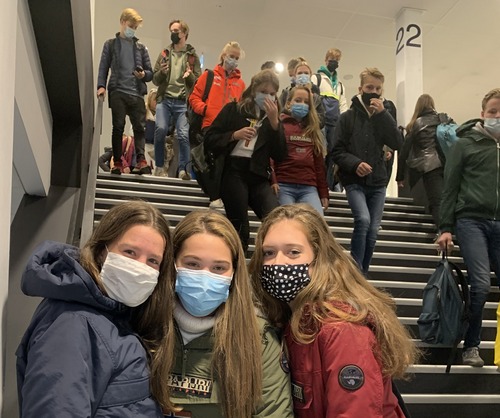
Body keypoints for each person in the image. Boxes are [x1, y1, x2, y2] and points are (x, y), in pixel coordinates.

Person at [248, 204, 418, 417]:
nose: (278, 263)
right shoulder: (292, 320)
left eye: (293, 252)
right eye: (269, 253)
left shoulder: (341, 329)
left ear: (320, 259)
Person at [16, 201, 176, 417]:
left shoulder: (116, 315)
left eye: (153, 261)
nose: (140, 267)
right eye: (130, 252)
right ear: (102, 251)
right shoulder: (72, 323)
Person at [165, 210, 293, 417]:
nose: (205, 277)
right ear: (172, 263)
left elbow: (273, 412)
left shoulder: (257, 338)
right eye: (192, 264)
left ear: (234, 273)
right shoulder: (145, 326)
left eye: (218, 268)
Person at [436, 87, 500, 367]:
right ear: (482, 114)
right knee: (482, 284)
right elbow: (450, 187)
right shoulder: (464, 144)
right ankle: (471, 345)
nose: (497, 117)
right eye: (493, 112)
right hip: (471, 220)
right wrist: (445, 227)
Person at [204, 69, 287, 251]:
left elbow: (280, 155)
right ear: (254, 90)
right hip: (234, 170)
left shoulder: (272, 119)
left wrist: (275, 125)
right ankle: (238, 261)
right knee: (240, 226)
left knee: (276, 218)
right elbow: (209, 139)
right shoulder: (233, 109)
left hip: (259, 174)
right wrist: (234, 135)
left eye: (272, 93)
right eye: (263, 92)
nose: (268, 97)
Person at [331, 67, 402, 274]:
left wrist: (384, 115)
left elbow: (398, 143)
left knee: (373, 231)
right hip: (353, 181)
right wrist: (355, 164)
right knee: (363, 220)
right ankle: (355, 272)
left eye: (378, 89)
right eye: (370, 87)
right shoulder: (347, 117)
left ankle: (361, 275)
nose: (374, 92)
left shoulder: (383, 117)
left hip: (378, 182)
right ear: (360, 88)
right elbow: (336, 150)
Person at [189, 41, 246, 209]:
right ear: (223, 56)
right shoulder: (209, 76)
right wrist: (205, 109)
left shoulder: (241, 84)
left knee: (227, 163)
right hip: (210, 125)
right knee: (214, 160)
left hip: (230, 130)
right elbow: (194, 97)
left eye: (237, 58)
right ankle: (214, 196)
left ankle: (221, 196)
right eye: (231, 56)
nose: (233, 60)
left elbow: (242, 107)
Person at [97, 8, 153, 175]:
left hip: (136, 93)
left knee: (139, 128)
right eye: (131, 26)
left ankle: (141, 160)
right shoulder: (110, 44)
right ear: (122, 22)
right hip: (118, 91)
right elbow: (103, 67)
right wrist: (101, 86)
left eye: (135, 27)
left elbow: (150, 73)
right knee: (118, 126)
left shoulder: (141, 48)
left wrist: (143, 75)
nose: (132, 30)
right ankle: (117, 162)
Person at [152, 19, 201, 179]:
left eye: (176, 31)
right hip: (164, 100)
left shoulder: (192, 56)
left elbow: (198, 82)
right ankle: (160, 167)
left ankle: (183, 170)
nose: (172, 34)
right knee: (160, 130)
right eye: (171, 31)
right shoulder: (165, 53)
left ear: (184, 33)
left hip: (182, 102)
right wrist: (162, 73)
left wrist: (190, 76)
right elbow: (155, 79)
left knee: (183, 135)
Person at [271, 86, 329, 215]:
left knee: (317, 220)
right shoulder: (279, 125)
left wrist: (323, 192)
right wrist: (273, 181)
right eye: (298, 100)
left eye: (306, 102)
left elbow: (319, 164)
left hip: (308, 186)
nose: (302, 104)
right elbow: (271, 156)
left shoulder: (312, 129)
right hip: (284, 184)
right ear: (288, 103)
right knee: (287, 220)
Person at [396, 94, 449, 229]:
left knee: (436, 201)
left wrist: (400, 177)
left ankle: (443, 231)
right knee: (447, 199)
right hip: (447, 164)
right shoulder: (443, 119)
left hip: (429, 166)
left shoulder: (416, 124)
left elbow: (404, 152)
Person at [310, 48, 348, 152]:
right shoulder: (316, 78)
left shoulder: (340, 85)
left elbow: (343, 105)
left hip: (334, 123)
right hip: (320, 122)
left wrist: (344, 123)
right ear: (326, 60)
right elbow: (312, 100)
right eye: (332, 59)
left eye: (337, 60)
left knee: (333, 151)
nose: (334, 62)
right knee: (320, 150)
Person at [145, 88, 175, 175]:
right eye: (154, 99)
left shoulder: (164, 114)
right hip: (146, 146)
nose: (156, 102)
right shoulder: (144, 113)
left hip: (159, 147)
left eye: (158, 100)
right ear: (150, 100)